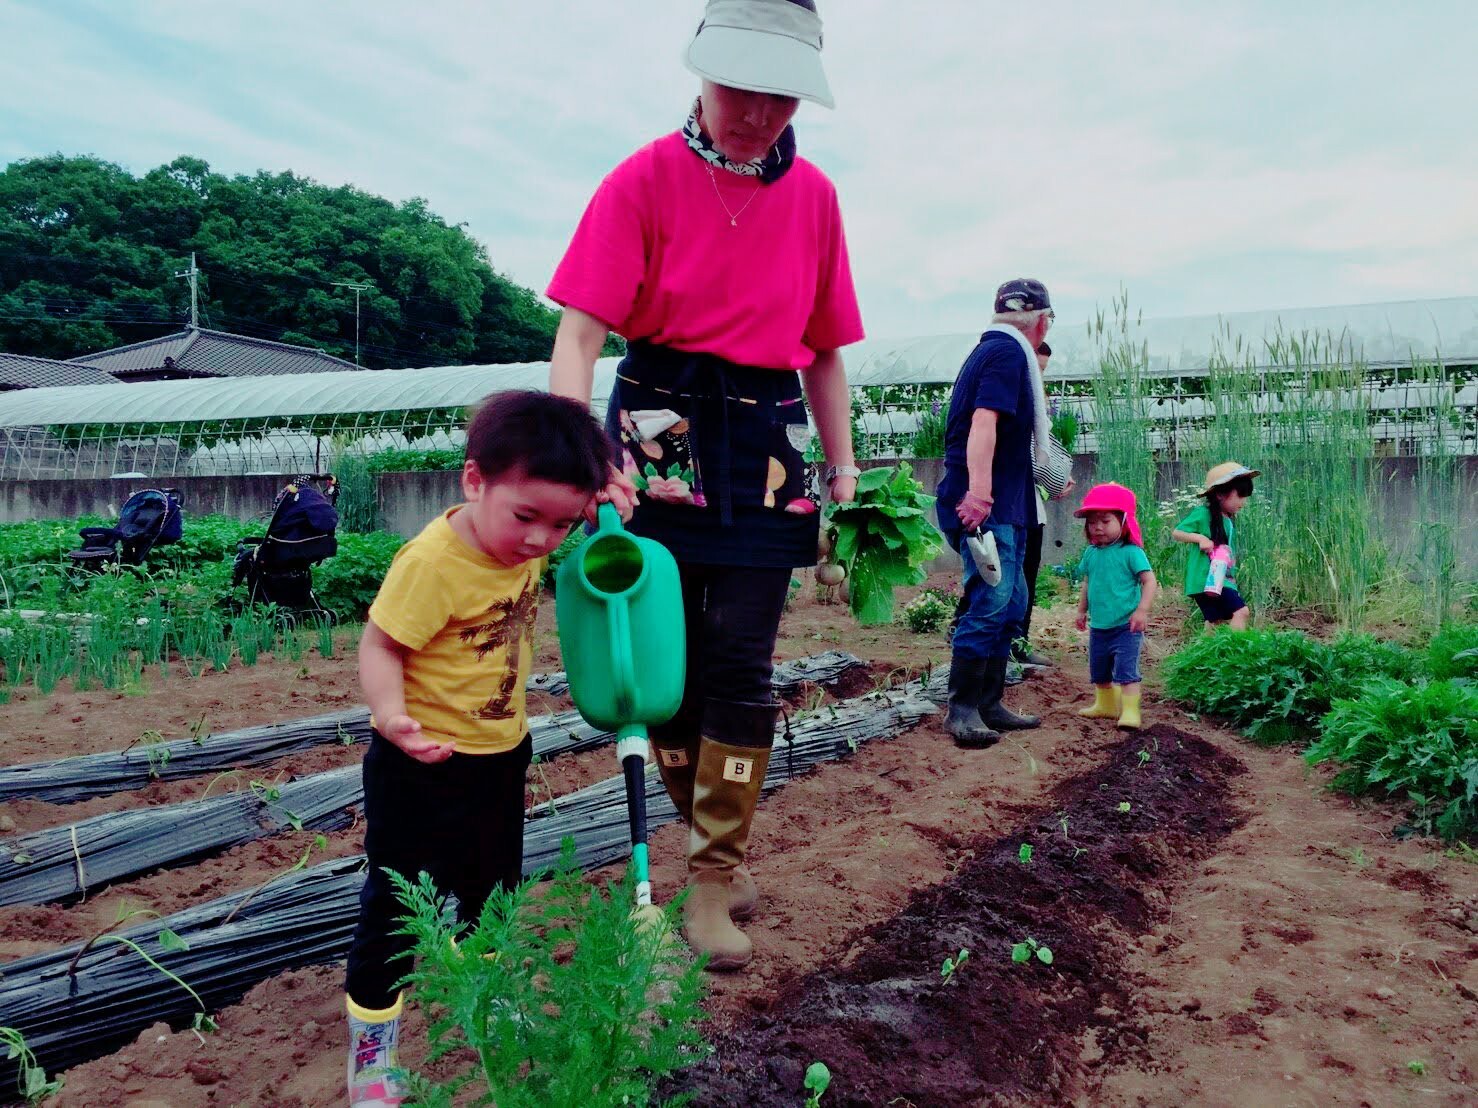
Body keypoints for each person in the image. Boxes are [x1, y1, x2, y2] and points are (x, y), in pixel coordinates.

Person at [545, 0, 863, 972]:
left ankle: (715, 872)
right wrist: (582, 454)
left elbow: (823, 353)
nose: (757, 113)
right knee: (666, 671)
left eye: (779, 96)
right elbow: (580, 335)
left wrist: (843, 469)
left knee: (740, 664)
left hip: (764, 436)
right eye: (740, 89)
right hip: (654, 430)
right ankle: (706, 831)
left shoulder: (813, 198)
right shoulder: (641, 181)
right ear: (700, 71)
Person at [343, 391, 612, 1108]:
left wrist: (608, 500)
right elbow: (381, 643)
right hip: (417, 761)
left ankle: (490, 996)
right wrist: (391, 716)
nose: (540, 542)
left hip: (500, 752)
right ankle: (373, 1055)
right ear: (473, 481)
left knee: (493, 889)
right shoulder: (432, 562)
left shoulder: (525, 538)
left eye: (562, 524)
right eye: (526, 518)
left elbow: (587, 511)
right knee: (399, 903)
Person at [936, 278, 1057, 748]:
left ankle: (988, 703)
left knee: (1011, 605)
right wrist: (980, 494)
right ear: (1042, 322)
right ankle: (962, 709)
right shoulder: (1007, 356)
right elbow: (984, 422)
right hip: (988, 505)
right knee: (990, 604)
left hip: (1011, 503)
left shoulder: (994, 351)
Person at [1004, 340, 1074, 678]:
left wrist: (1057, 477)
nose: (1038, 377)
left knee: (1025, 576)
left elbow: (1042, 451)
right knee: (1011, 578)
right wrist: (1055, 478)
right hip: (1010, 505)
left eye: (1042, 371)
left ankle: (1017, 644)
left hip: (1030, 504)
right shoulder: (1010, 396)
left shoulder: (1032, 399)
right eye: (1036, 368)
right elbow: (1030, 455)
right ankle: (1002, 645)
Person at [1073, 483, 1159, 730]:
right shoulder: (1091, 553)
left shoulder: (1131, 552)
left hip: (1126, 626)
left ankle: (1130, 712)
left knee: (1126, 671)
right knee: (1099, 670)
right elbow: (1088, 583)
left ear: (1124, 522)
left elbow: (1149, 580)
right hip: (1099, 626)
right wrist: (1081, 610)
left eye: (1105, 521)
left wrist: (1142, 610)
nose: (1097, 527)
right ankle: (1106, 706)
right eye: (1091, 522)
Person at [1172, 462, 1258, 630]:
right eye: (1240, 495)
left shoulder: (1227, 519)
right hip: (1206, 579)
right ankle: (1236, 652)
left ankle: (1206, 654)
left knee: (1214, 622)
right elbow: (1177, 532)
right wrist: (1200, 538)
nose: (1244, 501)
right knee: (1241, 612)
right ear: (1220, 494)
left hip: (1217, 579)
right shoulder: (1203, 514)